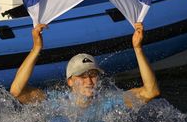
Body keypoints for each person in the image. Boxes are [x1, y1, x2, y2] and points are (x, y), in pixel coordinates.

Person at [10, 22, 160, 108]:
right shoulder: (55, 102)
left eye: (93, 75)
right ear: (70, 81)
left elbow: (151, 91)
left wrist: (138, 49)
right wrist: (36, 49)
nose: (89, 81)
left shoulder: (108, 103)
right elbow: (17, 91)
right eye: (82, 76)